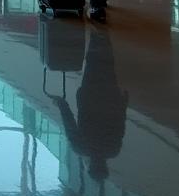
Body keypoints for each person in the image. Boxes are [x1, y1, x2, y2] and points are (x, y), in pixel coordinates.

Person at [50, 28, 128, 182]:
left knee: (107, 65)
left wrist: (123, 102)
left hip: (110, 96)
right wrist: (61, 103)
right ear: (90, 166)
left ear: (105, 167)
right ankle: (96, 34)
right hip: (89, 97)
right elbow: (69, 123)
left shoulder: (113, 150)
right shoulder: (80, 147)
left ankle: (103, 35)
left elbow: (120, 124)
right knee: (92, 63)